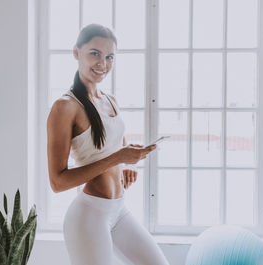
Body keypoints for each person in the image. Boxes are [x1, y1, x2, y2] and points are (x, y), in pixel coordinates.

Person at [47, 24, 170, 265]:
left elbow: (112, 149)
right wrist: (118, 159)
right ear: (76, 52)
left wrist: (125, 167)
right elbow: (57, 182)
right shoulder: (65, 107)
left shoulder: (110, 100)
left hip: (118, 210)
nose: (103, 63)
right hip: (89, 216)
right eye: (95, 53)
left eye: (109, 56)